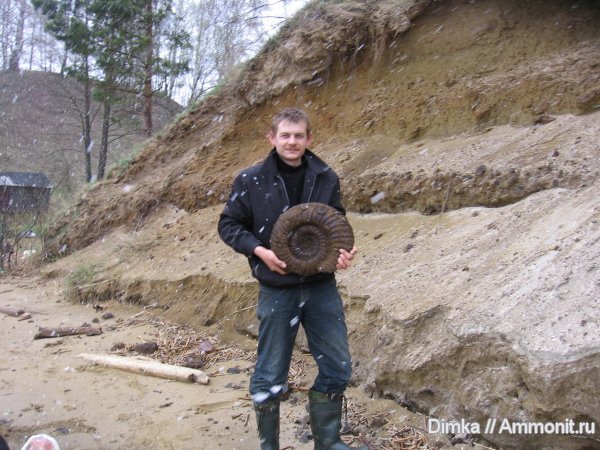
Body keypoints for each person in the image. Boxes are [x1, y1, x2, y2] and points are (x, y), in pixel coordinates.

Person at [218, 108, 366, 450]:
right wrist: (259, 251)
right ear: (272, 138)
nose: (292, 142)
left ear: (309, 139)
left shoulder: (326, 176)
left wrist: (342, 252)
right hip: (277, 289)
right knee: (270, 375)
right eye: (285, 135)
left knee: (339, 367)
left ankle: (327, 442)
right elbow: (229, 225)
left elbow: (335, 222)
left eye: (299, 135)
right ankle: (269, 446)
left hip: (320, 287)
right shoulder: (250, 179)